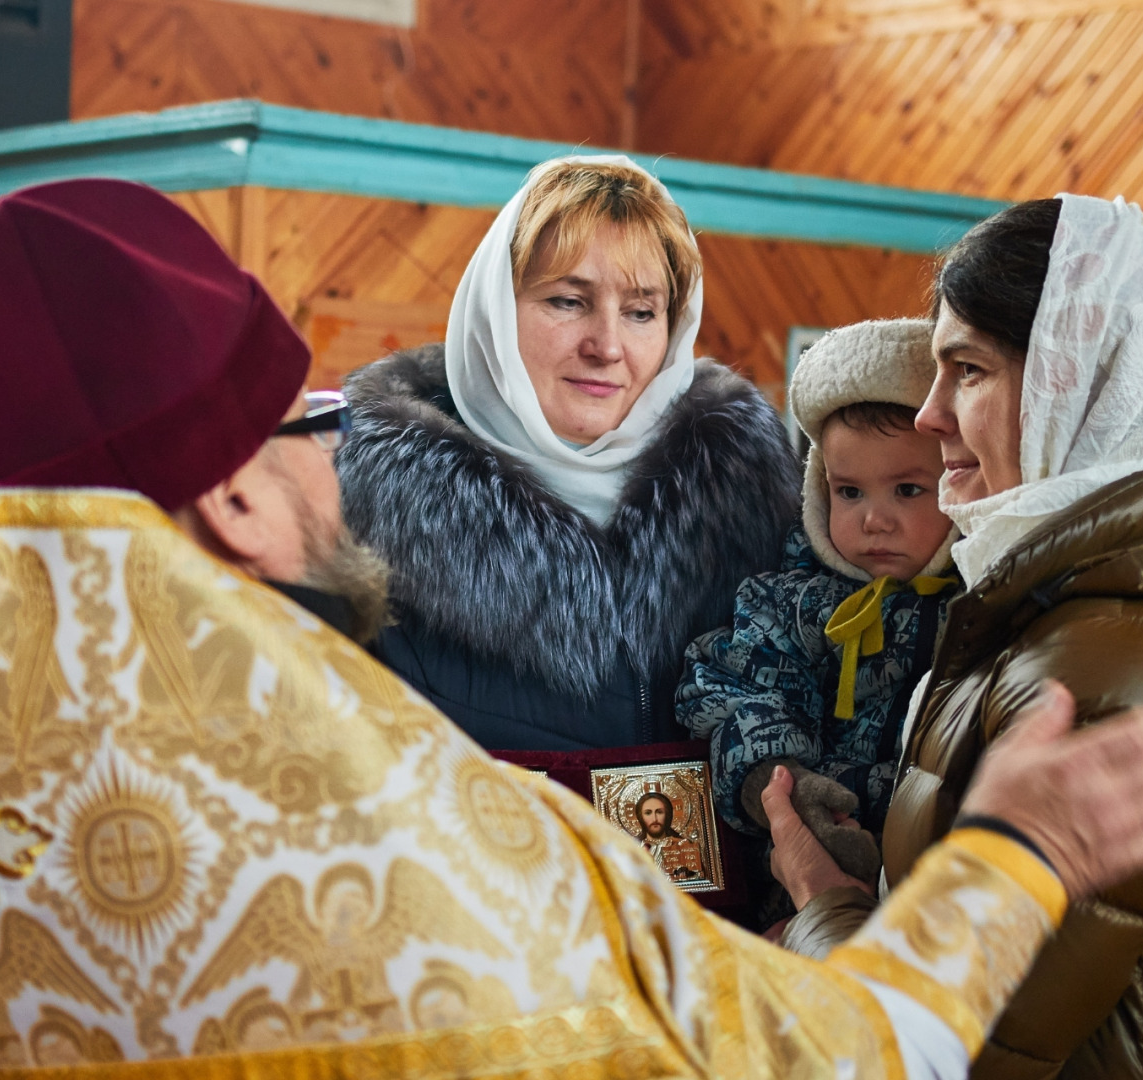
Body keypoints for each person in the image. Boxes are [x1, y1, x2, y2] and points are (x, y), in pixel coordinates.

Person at [0, 178, 1143, 1079]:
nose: (343, 451)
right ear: (238, 503)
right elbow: (816, 1061)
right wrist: (1012, 856)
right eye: (308, 422)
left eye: (644, 309)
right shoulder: (391, 824)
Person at [785, 194, 1143, 1079]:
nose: (929, 414)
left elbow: (952, 1055)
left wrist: (821, 905)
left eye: (968, 370)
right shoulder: (1097, 609)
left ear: (1084, 384)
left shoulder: (1111, 671)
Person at [337, 155, 801, 750]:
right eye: (568, 301)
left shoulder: (753, 502)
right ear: (497, 312)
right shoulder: (363, 509)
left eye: (640, 312)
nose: (607, 345)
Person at [678, 319, 956, 892]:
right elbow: (739, 692)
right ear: (817, 488)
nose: (873, 520)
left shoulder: (980, 607)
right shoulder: (792, 601)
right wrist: (784, 784)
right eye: (848, 491)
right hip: (798, 859)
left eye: (908, 490)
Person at [633, 790, 704, 880]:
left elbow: (696, 878)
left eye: (659, 812)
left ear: (668, 814)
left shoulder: (682, 845)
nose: (654, 819)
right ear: (640, 817)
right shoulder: (634, 848)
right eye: (648, 813)